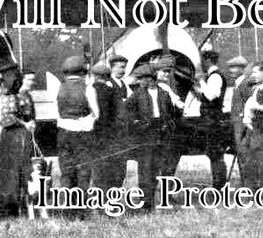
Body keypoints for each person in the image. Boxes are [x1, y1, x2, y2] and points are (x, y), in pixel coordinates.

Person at [125, 64, 179, 208]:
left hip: (161, 133)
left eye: (145, 78)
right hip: (145, 134)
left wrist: (167, 125)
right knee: (145, 168)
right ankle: (146, 203)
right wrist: (137, 123)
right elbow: (128, 111)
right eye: (140, 79)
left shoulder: (164, 94)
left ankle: (156, 199)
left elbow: (172, 113)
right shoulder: (137, 94)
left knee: (158, 167)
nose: (142, 81)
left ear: (152, 78)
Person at [0, 71, 37, 215]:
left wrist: (32, 123)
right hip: (11, 137)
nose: (31, 83)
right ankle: (8, 209)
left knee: (26, 169)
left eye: (33, 80)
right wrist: (25, 124)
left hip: (25, 136)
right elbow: (7, 117)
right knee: (11, 172)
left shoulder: (28, 96)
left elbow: (31, 115)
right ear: (21, 80)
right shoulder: (11, 95)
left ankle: (26, 207)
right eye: (28, 80)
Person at [57, 55, 101, 192]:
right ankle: (81, 206)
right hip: (83, 133)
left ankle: (67, 207)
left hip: (63, 132)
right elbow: (96, 113)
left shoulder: (59, 88)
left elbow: (56, 113)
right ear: (83, 72)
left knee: (66, 170)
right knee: (83, 170)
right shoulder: (88, 88)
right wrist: (85, 122)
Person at [192, 49, 230, 189]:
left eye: (202, 61)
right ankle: (219, 186)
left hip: (213, 121)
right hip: (210, 120)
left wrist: (201, 81)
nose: (201, 64)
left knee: (215, 154)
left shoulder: (215, 77)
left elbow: (211, 96)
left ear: (207, 61)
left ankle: (219, 187)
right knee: (213, 154)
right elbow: (205, 96)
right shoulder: (212, 76)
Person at [90, 61, 129, 192]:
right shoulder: (113, 92)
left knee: (98, 170)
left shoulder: (89, 90)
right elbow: (122, 115)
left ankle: (98, 198)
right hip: (112, 137)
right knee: (114, 170)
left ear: (94, 76)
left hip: (94, 136)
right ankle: (112, 197)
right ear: (107, 76)